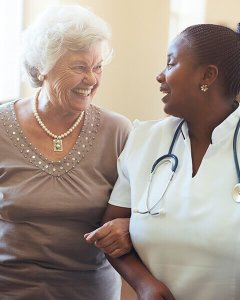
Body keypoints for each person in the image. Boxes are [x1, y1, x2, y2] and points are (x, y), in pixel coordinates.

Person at [85, 22, 240, 299]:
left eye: (171, 64)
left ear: (207, 75)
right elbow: (111, 233)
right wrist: (144, 284)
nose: (160, 76)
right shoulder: (143, 140)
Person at [0, 5, 133, 300]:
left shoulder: (118, 132)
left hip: (88, 291)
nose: (92, 79)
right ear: (40, 68)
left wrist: (128, 225)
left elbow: (148, 211)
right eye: (79, 67)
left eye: (97, 67)